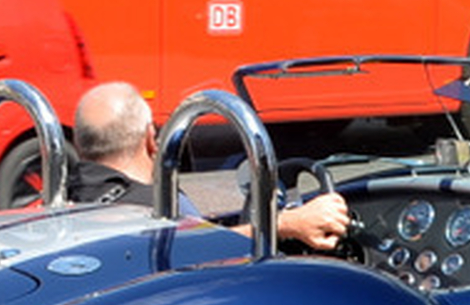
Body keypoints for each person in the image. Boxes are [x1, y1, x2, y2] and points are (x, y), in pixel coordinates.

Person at [66, 81, 349, 251]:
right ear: (151, 140)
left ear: (79, 145)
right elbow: (200, 249)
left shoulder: (61, 201)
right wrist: (289, 224)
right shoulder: (158, 209)